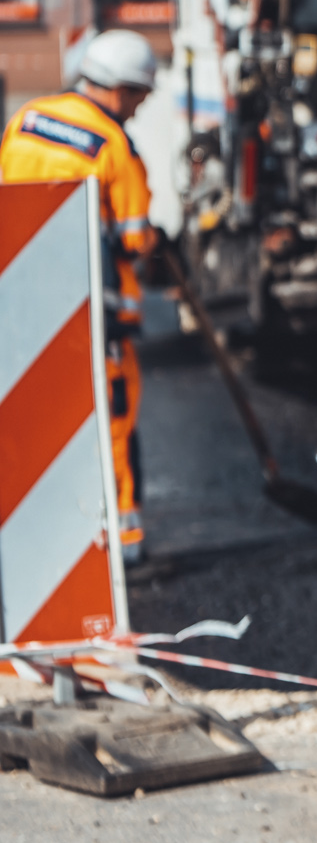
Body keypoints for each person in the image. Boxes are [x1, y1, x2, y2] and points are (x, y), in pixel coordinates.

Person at [0, 30, 160, 563]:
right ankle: (125, 539)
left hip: (22, 304)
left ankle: (39, 537)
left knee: (37, 417)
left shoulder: (25, 119)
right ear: (119, 90)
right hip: (97, 311)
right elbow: (135, 239)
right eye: (139, 97)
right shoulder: (114, 144)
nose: (137, 110)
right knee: (113, 417)